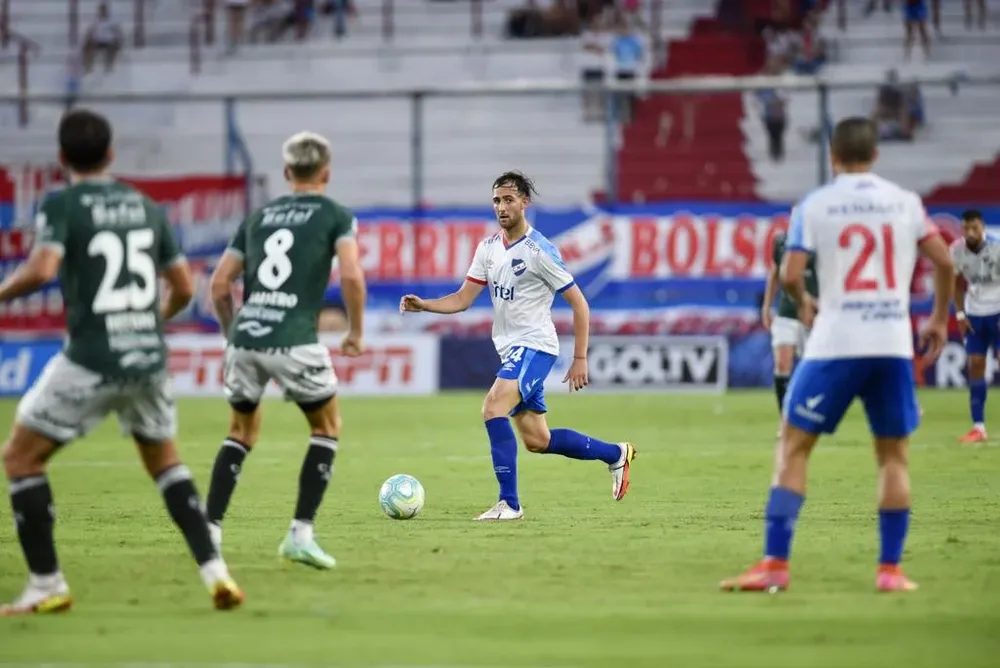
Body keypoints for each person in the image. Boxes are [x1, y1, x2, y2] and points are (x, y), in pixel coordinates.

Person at [0, 109, 243, 615]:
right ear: (111, 154)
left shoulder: (63, 203)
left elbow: (44, 267)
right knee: (166, 464)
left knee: (21, 459)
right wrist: (147, 321)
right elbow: (181, 287)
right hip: (147, 356)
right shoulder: (145, 206)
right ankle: (216, 573)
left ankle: (47, 584)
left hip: (91, 355)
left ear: (62, 158)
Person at [720, 117, 953, 593]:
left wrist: (804, 302)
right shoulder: (904, 202)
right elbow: (945, 260)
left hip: (836, 340)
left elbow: (791, 272)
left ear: (833, 155)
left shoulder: (816, 205)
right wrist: (938, 319)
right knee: (893, 455)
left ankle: (775, 564)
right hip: (891, 343)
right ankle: (890, 571)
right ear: (876, 154)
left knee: (793, 444)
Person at [399, 171, 635, 521]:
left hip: (535, 346)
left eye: (509, 199)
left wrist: (580, 357)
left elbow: (580, 304)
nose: (502, 206)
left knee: (492, 407)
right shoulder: (489, 248)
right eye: (497, 200)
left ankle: (509, 503)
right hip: (511, 350)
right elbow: (463, 299)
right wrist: (425, 304)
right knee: (538, 440)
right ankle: (615, 453)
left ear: (525, 202)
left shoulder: (540, 251)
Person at [206, 131, 366, 570]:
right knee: (326, 426)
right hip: (294, 337)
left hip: (245, 337)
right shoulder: (336, 215)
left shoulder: (258, 217)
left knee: (240, 433)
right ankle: (300, 535)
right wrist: (354, 332)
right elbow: (351, 276)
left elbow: (220, 286)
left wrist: (230, 333)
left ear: (286, 173)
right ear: (326, 173)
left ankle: (211, 531)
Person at [951, 209, 1000, 444]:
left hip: (998, 311)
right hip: (975, 315)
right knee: (976, 365)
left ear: (983, 227)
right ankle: (978, 427)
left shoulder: (997, 245)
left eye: (975, 228)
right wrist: (960, 314)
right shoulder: (957, 250)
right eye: (966, 228)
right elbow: (956, 283)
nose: (970, 233)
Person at [761, 228, 817, 429]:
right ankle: (786, 421)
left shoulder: (821, 240)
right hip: (786, 312)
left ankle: (806, 415)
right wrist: (767, 306)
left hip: (812, 315)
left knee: (809, 369)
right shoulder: (781, 241)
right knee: (782, 363)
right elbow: (775, 272)